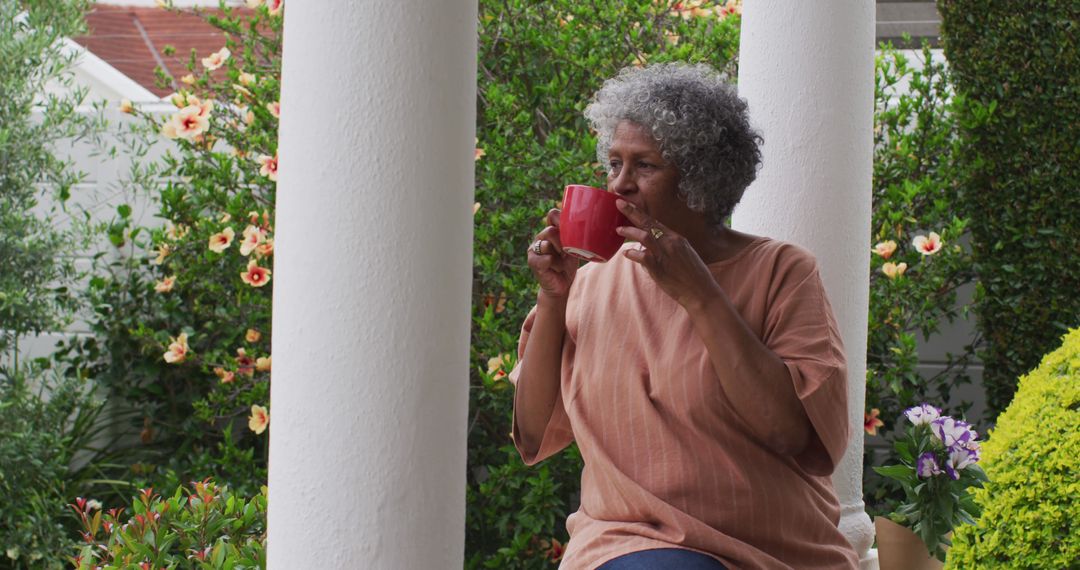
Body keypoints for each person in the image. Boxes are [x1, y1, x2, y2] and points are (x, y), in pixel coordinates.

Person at [509, 62, 859, 569]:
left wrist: (701, 296)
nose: (620, 185)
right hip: (624, 537)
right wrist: (553, 297)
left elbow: (792, 435)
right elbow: (534, 432)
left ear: (700, 181)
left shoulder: (781, 271)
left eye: (644, 167)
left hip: (768, 547)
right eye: (613, 164)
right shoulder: (590, 282)